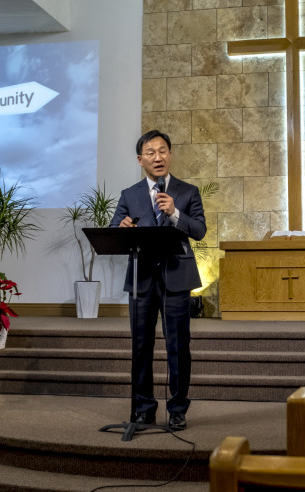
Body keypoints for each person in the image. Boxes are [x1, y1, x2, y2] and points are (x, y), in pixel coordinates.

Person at [109, 129, 206, 431]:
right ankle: (143, 408)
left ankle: (177, 408)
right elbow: (113, 231)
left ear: (170, 155)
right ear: (140, 160)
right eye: (150, 152)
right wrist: (122, 228)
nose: (158, 157)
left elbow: (200, 230)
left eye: (162, 151)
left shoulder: (188, 192)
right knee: (141, 347)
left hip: (176, 278)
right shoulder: (130, 194)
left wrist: (175, 213)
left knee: (178, 346)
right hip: (142, 280)